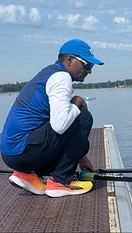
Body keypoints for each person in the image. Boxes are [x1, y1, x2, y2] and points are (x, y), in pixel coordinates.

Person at [1, 39, 104, 198]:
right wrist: (76, 103)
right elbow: (61, 125)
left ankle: (27, 175)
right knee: (83, 116)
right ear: (69, 60)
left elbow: (65, 130)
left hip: (12, 155)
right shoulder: (61, 77)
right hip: (23, 151)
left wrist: (80, 157)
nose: (90, 71)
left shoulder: (49, 73)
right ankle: (60, 182)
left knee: (81, 134)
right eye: (87, 65)